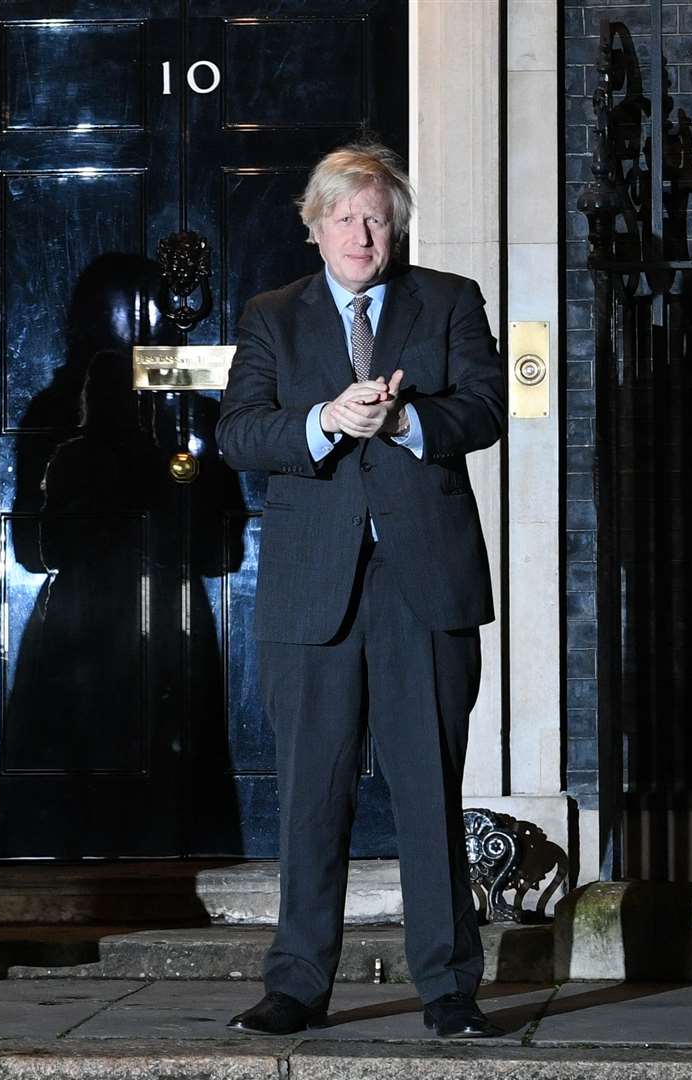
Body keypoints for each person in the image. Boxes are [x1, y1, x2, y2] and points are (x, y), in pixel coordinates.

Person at [215, 142, 504, 1039]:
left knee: (429, 790)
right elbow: (239, 432)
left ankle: (449, 986)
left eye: (375, 216)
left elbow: (490, 408)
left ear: (396, 226)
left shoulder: (448, 302)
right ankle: (298, 983)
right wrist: (324, 420)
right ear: (314, 227)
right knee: (313, 792)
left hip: (422, 585)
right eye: (342, 216)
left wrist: (412, 418)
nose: (359, 231)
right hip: (314, 591)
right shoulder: (275, 316)